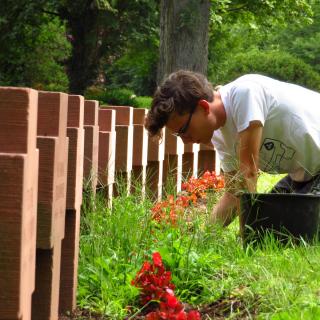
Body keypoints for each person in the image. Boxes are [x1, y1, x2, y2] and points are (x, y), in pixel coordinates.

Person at [144, 70, 320, 226]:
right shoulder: (220, 136)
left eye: (184, 130)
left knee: (288, 230)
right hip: (306, 177)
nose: (185, 140)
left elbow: (248, 173)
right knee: (272, 225)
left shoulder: (245, 94)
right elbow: (235, 193)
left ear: (204, 107)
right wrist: (203, 239)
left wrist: (248, 235)